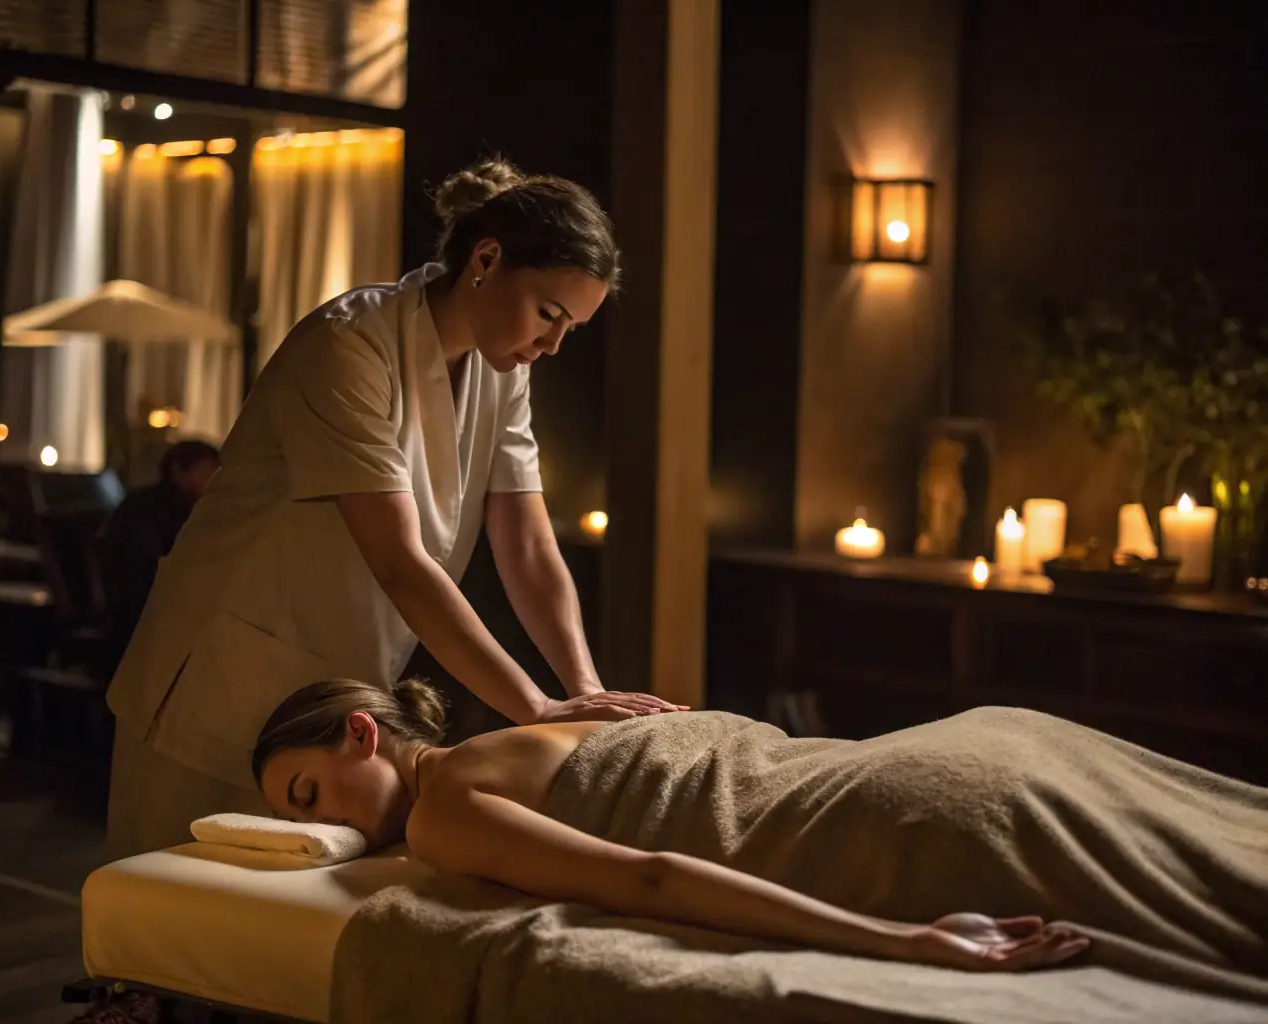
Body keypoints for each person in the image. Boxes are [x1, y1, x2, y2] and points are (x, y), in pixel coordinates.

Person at [103, 157, 684, 860]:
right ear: (486, 259)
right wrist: (536, 708)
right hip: (219, 668)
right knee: (169, 911)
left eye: (571, 329)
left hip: (330, 685)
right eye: (548, 314)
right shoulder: (351, 344)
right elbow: (401, 561)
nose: (552, 344)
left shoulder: (502, 373)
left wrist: (583, 692)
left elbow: (527, 547)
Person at [253, 679, 1268, 983]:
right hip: (949, 746)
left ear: (361, 733)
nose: (325, 826)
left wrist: (901, 939)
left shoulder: (442, 815)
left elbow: (648, 877)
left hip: (876, 814)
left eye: (308, 795)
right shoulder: (530, 734)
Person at [96, 440, 221, 678]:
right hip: (139, 625)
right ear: (178, 470)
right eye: (207, 473)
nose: (213, 482)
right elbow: (145, 574)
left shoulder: (199, 513)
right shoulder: (140, 511)